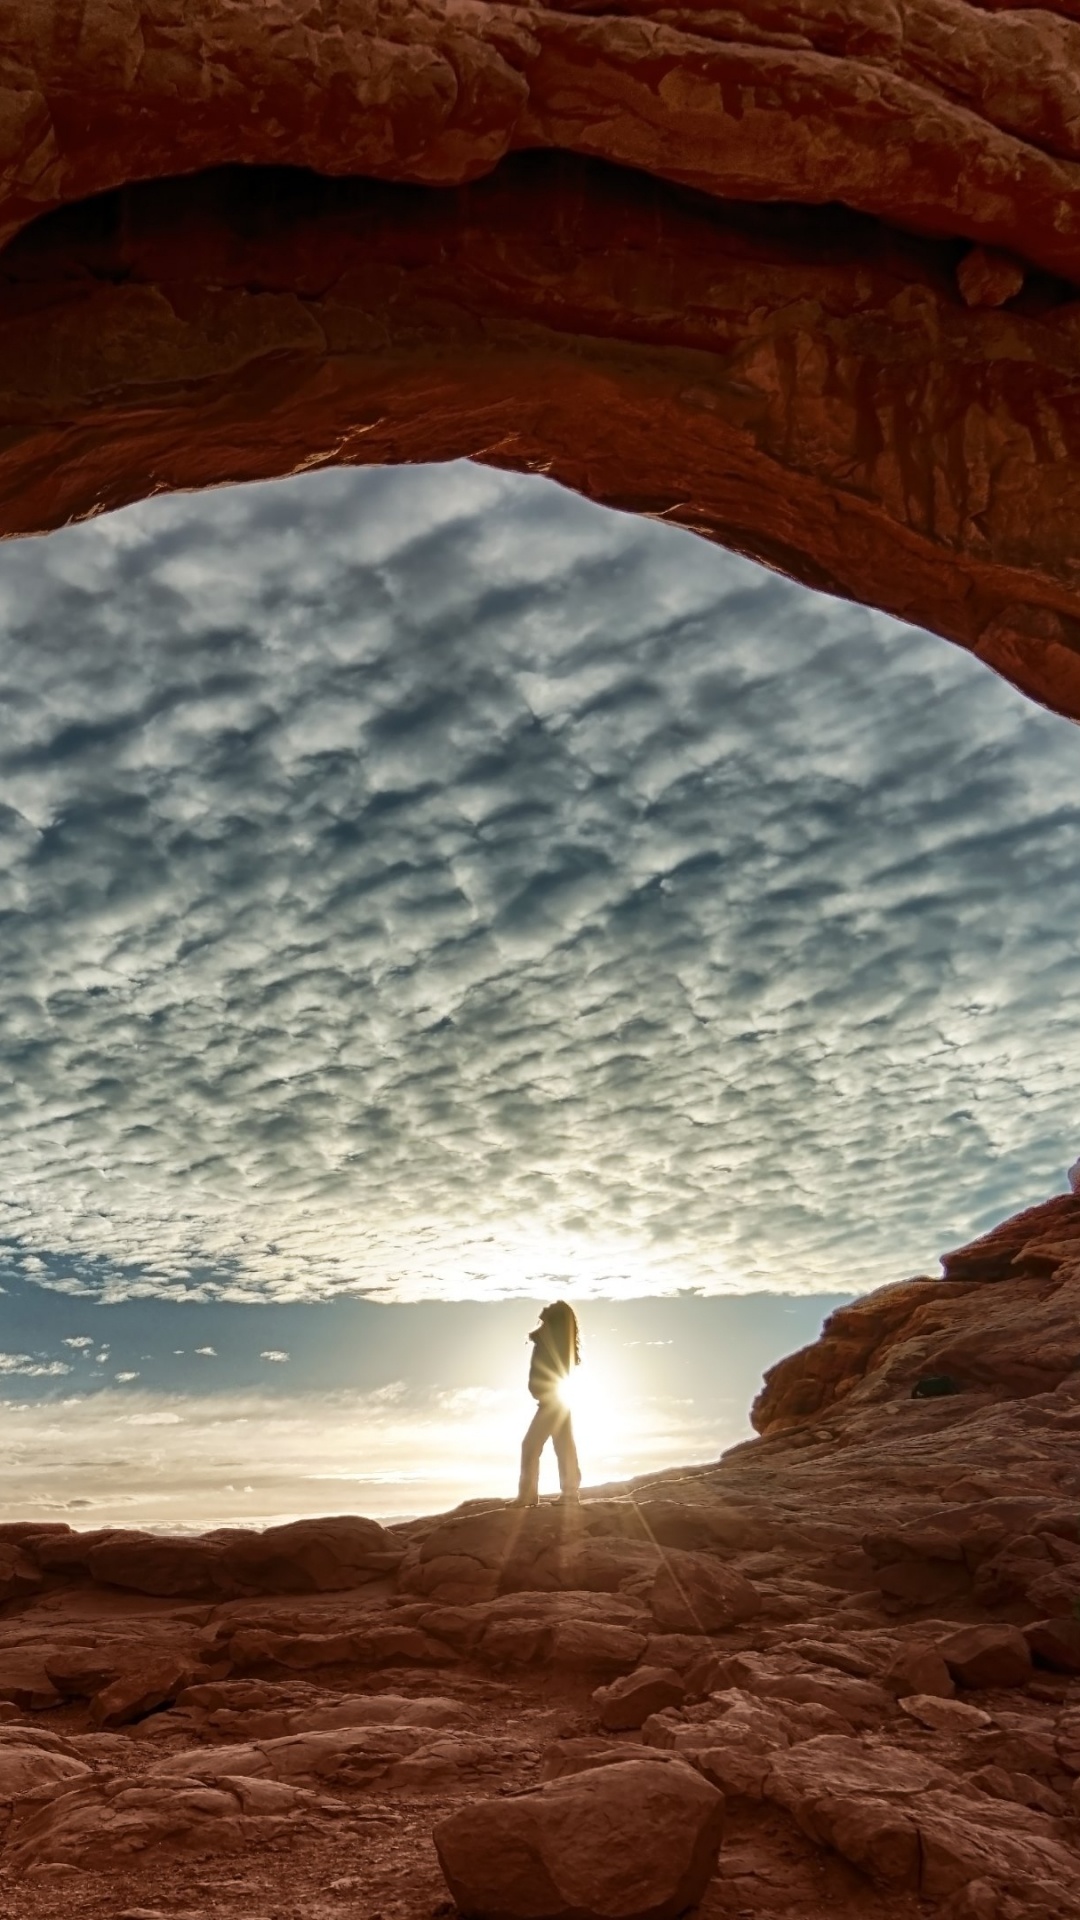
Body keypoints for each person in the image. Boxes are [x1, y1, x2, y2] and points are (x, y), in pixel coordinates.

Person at [515, 1300, 582, 1507]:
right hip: (555, 1401)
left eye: (550, 1308)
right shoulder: (551, 1341)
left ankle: (529, 1495)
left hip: (552, 1402)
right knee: (563, 1446)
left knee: (531, 1446)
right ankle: (569, 1493)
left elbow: (554, 1372)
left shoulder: (555, 1343)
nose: (545, 1308)